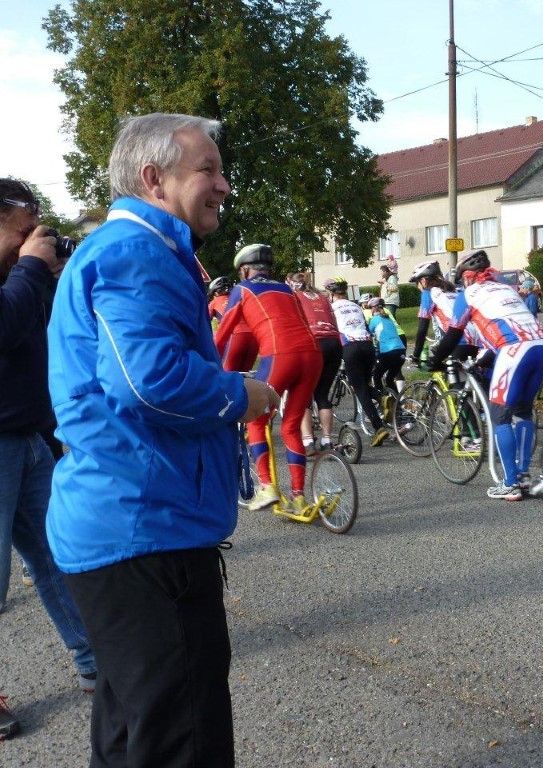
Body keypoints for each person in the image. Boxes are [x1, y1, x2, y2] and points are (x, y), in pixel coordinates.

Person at [47, 113, 279, 767]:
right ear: (154, 178)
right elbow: (145, 382)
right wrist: (239, 394)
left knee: (131, 732)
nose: (224, 185)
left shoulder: (128, 248)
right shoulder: (137, 250)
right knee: (182, 741)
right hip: (146, 531)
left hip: (124, 524)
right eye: (207, 169)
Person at [0, 179, 97, 698]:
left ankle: (94, 661)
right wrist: (31, 268)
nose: (35, 229)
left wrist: (47, 276)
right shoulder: (20, 274)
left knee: (56, 555)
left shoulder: (20, 276)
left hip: (29, 438)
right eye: (27, 218)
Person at [426, 250, 543, 500]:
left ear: (467, 277)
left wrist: (435, 360)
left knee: (499, 416)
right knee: (523, 412)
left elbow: (453, 334)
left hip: (514, 350)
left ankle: (510, 483)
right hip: (542, 347)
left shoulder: (468, 295)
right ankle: (523, 475)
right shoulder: (506, 289)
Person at [216, 246, 323, 511]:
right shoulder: (287, 289)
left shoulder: (242, 289)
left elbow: (223, 334)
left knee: (256, 418)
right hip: (313, 355)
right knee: (291, 426)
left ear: (244, 270)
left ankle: (267, 487)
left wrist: (210, 363)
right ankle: (299, 498)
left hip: (280, 355)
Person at [326, 279, 391, 447]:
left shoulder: (331, 308)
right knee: (364, 385)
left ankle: (379, 427)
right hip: (367, 346)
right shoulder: (356, 306)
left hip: (351, 347)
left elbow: (330, 331)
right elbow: (366, 326)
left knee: (360, 389)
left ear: (332, 294)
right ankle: (381, 398)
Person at [288, 272, 342, 453]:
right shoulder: (322, 297)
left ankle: (308, 441)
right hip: (334, 343)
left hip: (314, 343)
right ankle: (327, 440)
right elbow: (333, 321)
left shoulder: (295, 297)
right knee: (322, 394)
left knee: (303, 394)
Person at [366, 297, 406, 404]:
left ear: (374, 308)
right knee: (389, 379)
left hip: (388, 352)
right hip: (401, 351)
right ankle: (398, 405)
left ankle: (383, 402)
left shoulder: (374, 320)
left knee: (376, 376)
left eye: (370, 308)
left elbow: (368, 334)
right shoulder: (388, 319)